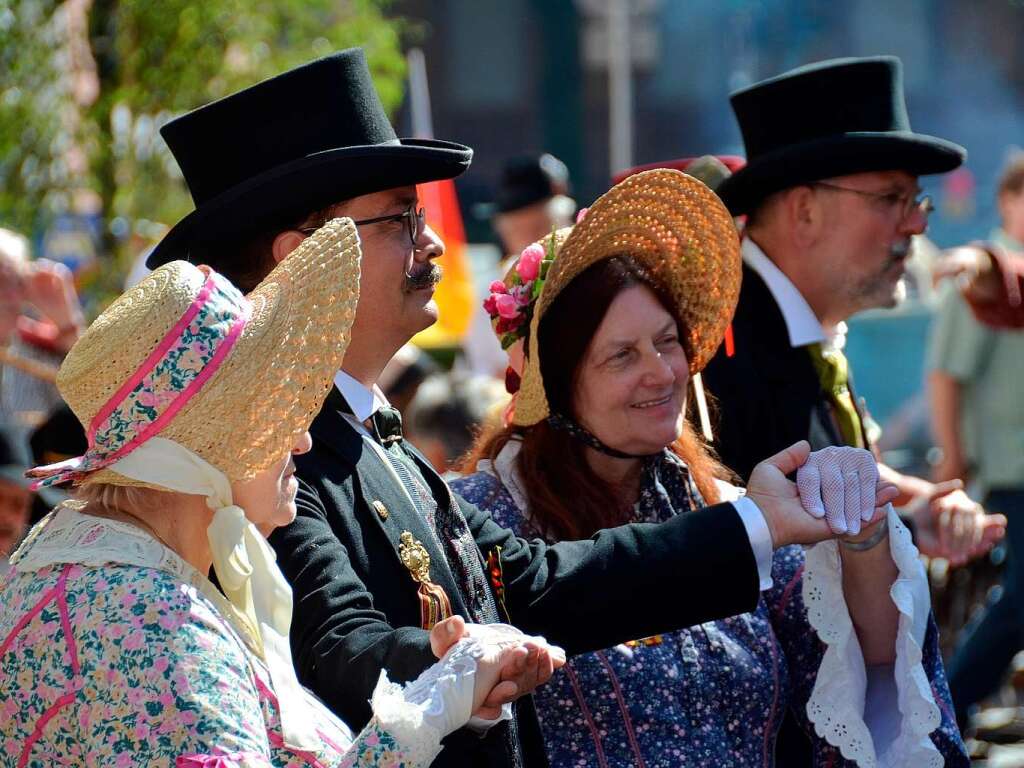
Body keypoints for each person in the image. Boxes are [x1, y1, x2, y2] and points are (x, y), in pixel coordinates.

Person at [144, 50, 900, 768]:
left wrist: (759, 519)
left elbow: (536, 581)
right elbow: (340, 651)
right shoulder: (268, 451)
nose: (433, 242)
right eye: (400, 218)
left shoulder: (371, 436)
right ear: (298, 256)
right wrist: (467, 662)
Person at [1, 220, 565, 767]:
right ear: (211, 447)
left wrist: (445, 702)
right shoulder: (162, 620)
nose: (301, 438)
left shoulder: (76, 562)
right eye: (275, 416)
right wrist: (432, 709)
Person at [455, 169, 967, 767]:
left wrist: (865, 535)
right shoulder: (485, 522)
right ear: (561, 386)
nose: (663, 372)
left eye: (667, 342)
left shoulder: (716, 503)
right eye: (622, 355)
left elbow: (866, 664)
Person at [702, 56, 1006, 567]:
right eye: (891, 198)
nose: (916, 226)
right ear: (804, 212)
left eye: (918, 202)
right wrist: (907, 520)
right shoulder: (721, 347)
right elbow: (774, 541)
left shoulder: (784, 325)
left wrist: (912, 503)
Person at [928, 153, 1024, 728]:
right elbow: (945, 377)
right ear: (1008, 202)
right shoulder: (977, 280)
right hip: (1009, 471)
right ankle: (948, 713)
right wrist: (954, 458)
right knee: (1020, 603)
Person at [0, 227, 84, 425]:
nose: (12, 296)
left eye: (19, 282)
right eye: (1, 282)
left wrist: (66, 321)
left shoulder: (40, 349)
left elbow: (97, 395)